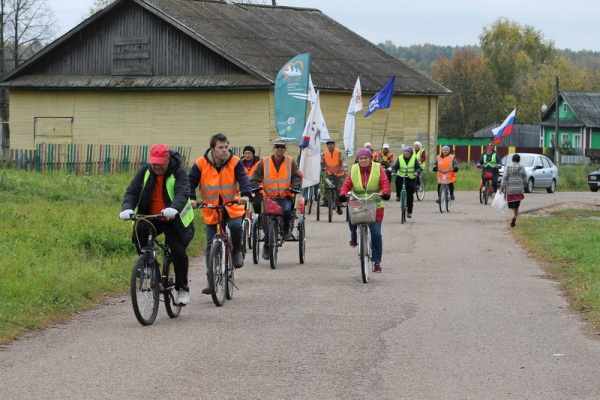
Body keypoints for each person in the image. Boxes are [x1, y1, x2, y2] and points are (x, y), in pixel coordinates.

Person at [120, 144, 194, 305]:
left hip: (174, 219)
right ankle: (147, 264)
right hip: (153, 216)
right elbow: (132, 191)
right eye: (154, 162)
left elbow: (183, 192)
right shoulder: (145, 171)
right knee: (140, 227)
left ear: (168, 159)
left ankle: (182, 288)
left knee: (178, 252)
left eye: (160, 162)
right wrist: (127, 208)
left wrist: (173, 208)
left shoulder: (178, 171)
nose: (156, 166)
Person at [188, 133, 252, 295]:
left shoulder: (235, 162)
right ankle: (211, 280)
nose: (224, 150)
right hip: (211, 208)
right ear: (212, 149)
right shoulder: (200, 163)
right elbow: (190, 183)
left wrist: (245, 195)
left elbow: (243, 180)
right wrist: (191, 198)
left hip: (231, 206)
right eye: (220, 148)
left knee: (236, 226)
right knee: (210, 244)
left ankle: (237, 250)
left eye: (226, 147)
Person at [338, 147, 391, 272]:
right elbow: (347, 183)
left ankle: (377, 262)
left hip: (375, 205)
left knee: (376, 234)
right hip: (357, 203)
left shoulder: (378, 168)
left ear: (370, 159)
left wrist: (386, 192)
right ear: (358, 159)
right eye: (360, 158)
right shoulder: (354, 169)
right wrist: (343, 193)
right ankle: (354, 237)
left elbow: (384, 182)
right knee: (352, 218)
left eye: (365, 158)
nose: (363, 160)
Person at [251, 138, 301, 260]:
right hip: (269, 197)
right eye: (277, 147)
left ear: (285, 149)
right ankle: (267, 247)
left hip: (286, 195)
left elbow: (296, 177)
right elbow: (255, 178)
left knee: (288, 211)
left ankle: (285, 230)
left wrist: (295, 186)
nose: (279, 149)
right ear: (273, 149)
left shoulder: (290, 161)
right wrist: (254, 186)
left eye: (282, 147)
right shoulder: (264, 162)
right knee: (269, 220)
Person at [391, 146, 422, 218]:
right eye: (405, 151)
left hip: (411, 177)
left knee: (410, 196)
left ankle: (409, 212)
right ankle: (398, 195)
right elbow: (395, 167)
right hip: (401, 176)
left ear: (410, 153)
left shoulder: (414, 159)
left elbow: (418, 168)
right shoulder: (400, 158)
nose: (406, 153)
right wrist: (393, 172)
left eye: (408, 152)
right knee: (398, 181)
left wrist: (417, 172)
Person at [321, 139, 348, 214]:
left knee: (339, 188)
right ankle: (326, 200)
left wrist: (345, 167)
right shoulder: (324, 153)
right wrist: (321, 168)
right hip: (329, 173)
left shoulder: (339, 152)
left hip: (339, 174)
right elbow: (321, 162)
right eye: (328, 144)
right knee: (326, 186)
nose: (330, 145)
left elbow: (344, 160)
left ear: (334, 145)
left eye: (331, 144)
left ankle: (338, 203)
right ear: (327, 146)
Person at [500, 153, 527, 227]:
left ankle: (513, 216)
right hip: (519, 190)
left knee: (510, 206)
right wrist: (524, 186)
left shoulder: (508, 167)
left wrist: (501, 187)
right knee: (516, 206)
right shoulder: (522, 168)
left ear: (512, 159)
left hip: (510, 190)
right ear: (519, 160)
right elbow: (525, 178)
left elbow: (504, 178)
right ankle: (515, 217)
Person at [242, 145, 264, 215]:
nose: (247, 155)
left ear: (253, 154)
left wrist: (259, 186)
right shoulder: (240, 165)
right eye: (245, 153)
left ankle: (259, 220)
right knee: (242, 208)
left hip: (258, 190)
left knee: (257, 204)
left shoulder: (259, 164)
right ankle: (242, 224)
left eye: (249, 153)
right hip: (245, 190)